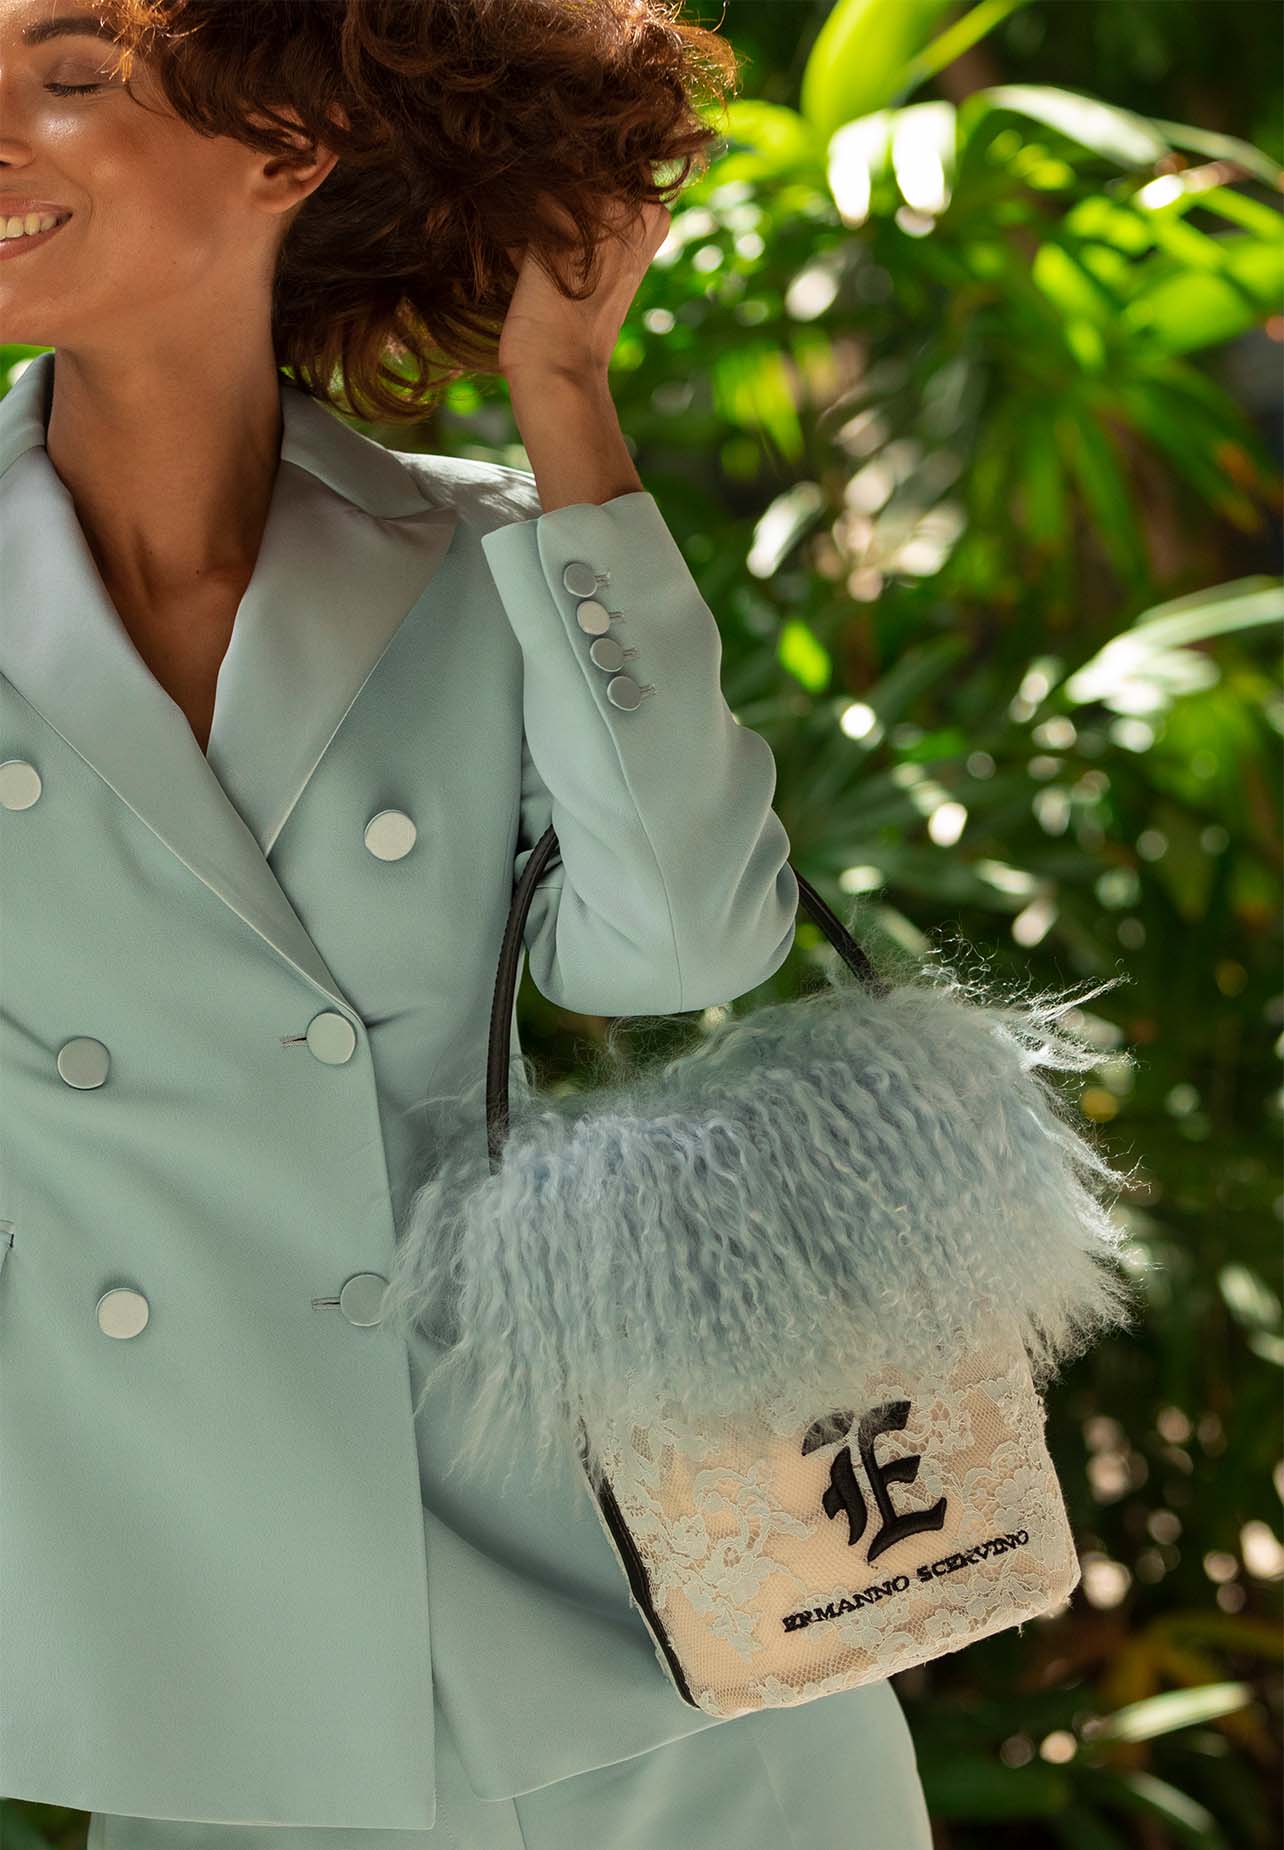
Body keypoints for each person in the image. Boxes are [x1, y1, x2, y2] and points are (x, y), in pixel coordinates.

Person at [0, 2, 934, 1844]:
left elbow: (685, 947)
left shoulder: (499, 558)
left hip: (654, 1645)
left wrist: (567, 402)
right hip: (225, 1701)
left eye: (72, 74)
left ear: (287, 142)